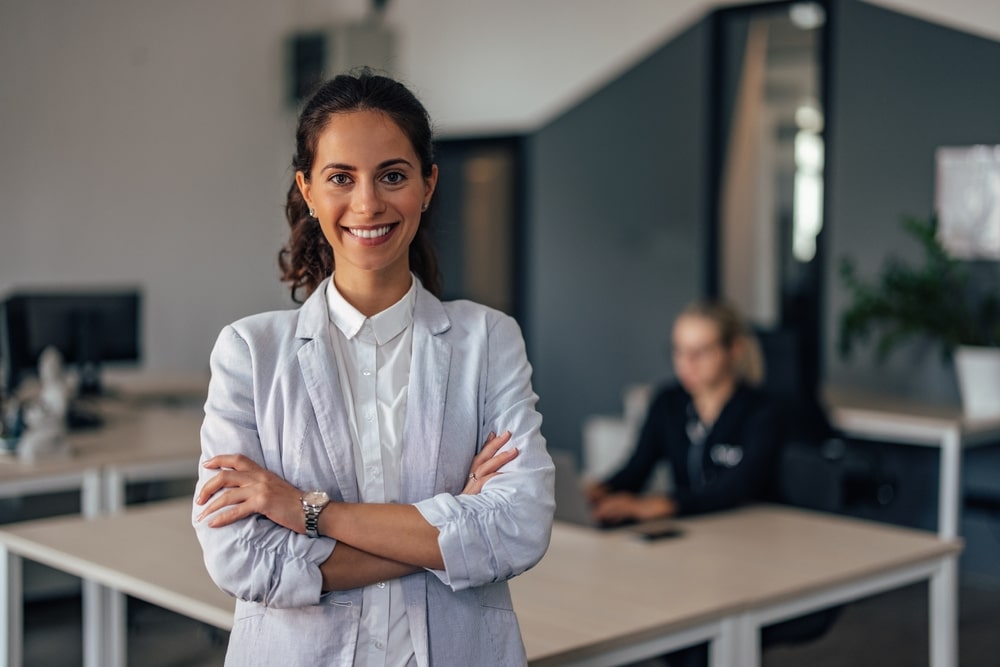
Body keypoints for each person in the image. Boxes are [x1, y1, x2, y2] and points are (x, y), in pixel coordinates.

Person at [192, 69, 554, 667]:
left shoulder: (488, 339)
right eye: (341, 177)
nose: (368, 203)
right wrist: (452, 527)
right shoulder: (249, 352)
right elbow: (241, 558)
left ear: (428, 184)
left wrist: (308, 512)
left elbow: (519, 529)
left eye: (392, 175)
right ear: (307, 190)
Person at [587, 300, 781, 523]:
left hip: (749, 528)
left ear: (733, 350)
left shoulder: (761, 411)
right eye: (679, 351)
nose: (687, 363)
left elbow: (738, 487)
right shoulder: (668, 403)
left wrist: (664, 504)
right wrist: (599, 491)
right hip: (693, 530)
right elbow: (636, 470)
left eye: (701, 351)